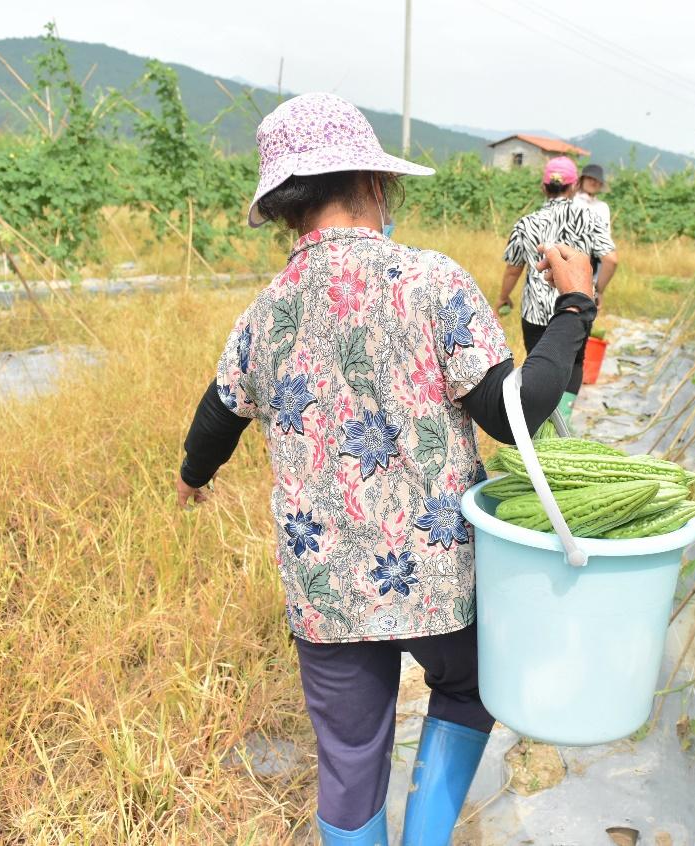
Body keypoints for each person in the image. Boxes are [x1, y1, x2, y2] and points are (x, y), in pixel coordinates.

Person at [175, 93, 598, 846]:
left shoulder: (265, 311)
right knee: (468, 690)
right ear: (374, 185)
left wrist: (191, 476)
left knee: (347, 757)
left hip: (326, 590)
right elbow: (512, 416)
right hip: (441, 578)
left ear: (283, 210)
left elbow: (218, 412)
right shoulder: (433, 283)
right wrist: (573, 307)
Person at [497, 156, 618, 425]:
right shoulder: (590, 218)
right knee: (574, 363)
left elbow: (513, 269)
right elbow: (611, 259)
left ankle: (540, 425)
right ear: (574, 187)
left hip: (536, 312)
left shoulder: (526, 223)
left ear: (543, 187)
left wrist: (503, 297)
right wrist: (596, 290)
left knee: (539, 363)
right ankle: (562, 420)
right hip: (576, 305)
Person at [573, 163, 612, 240]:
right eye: (589, 178)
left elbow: (606, 234)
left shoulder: (603, 207)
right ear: (582, 181)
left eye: (596, 180)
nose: (593, 182)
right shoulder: (571, 201)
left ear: (600, 184)